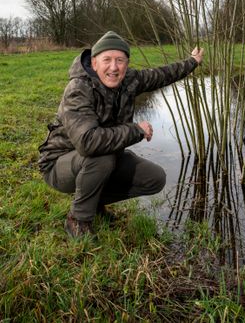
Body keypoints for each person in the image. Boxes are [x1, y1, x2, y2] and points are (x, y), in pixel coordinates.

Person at [38, 30, 204, 238]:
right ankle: (78, 219)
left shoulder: (129, 81)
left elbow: (162, 75)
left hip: (98, 160)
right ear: (95, 62)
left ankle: (93, 202)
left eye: (120, 60)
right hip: (59, 164)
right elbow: (88, 143)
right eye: (107, 60)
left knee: (154, 178)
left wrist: (192, 62)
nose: (114, 67)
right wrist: (136, 130)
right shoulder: (79, 89)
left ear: (127, 63)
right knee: (103, 155)